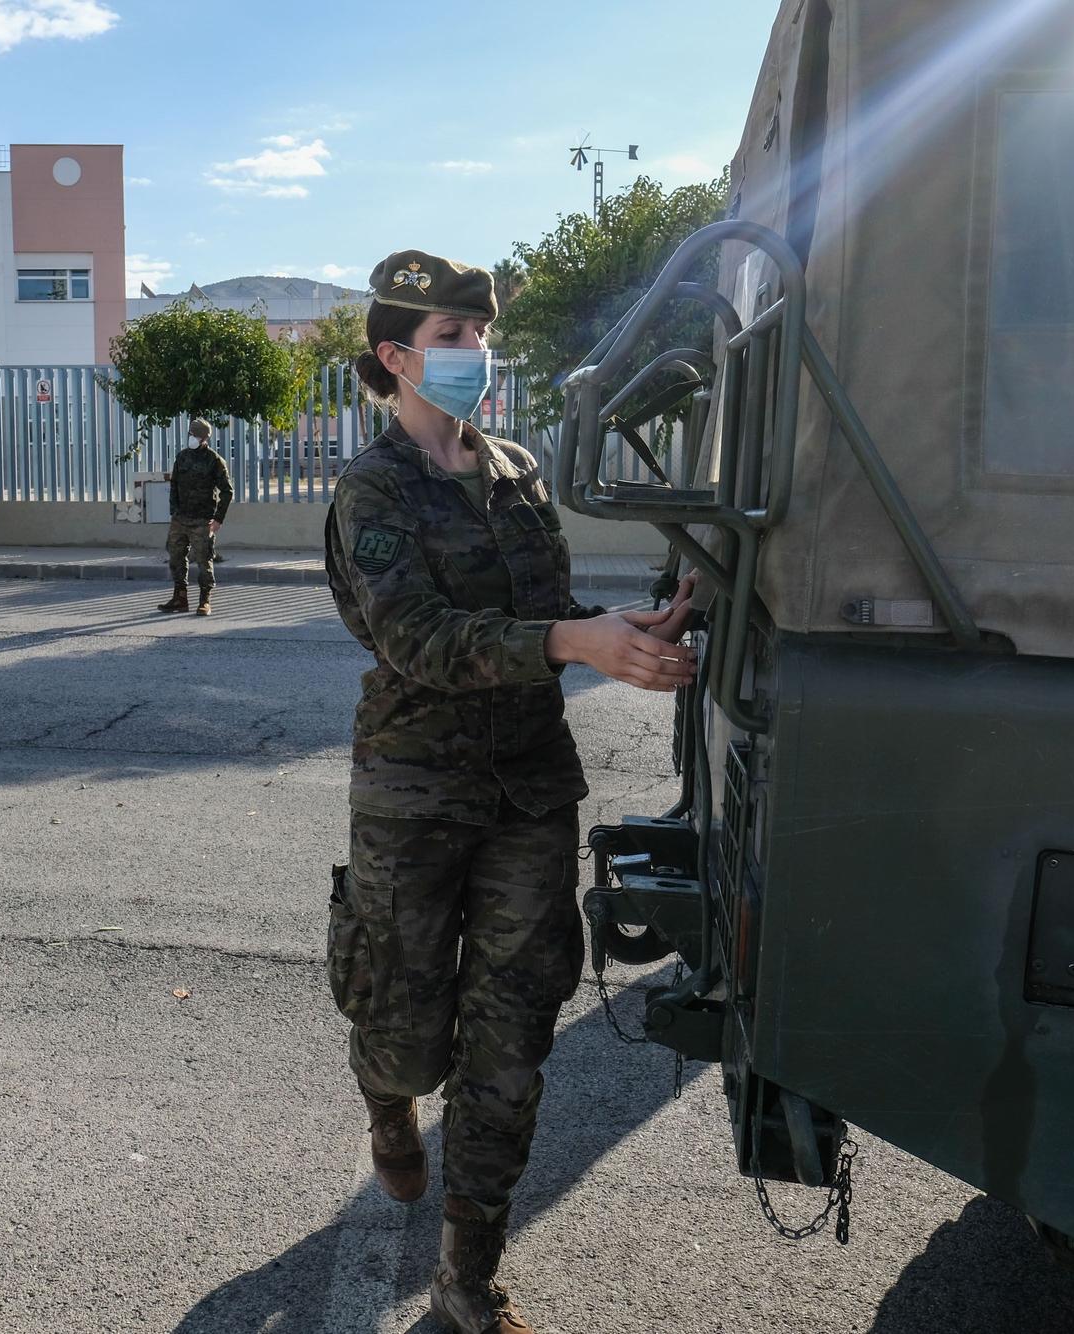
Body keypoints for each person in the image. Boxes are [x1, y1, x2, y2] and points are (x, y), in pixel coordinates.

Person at [322, 249, 697, 1334]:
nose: (472, 356)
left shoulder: (519, 469)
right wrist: (567, 639)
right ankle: (387, 1104)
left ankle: (465, 1285)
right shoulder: (371, 489)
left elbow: (542, 605)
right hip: (415, 787)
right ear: (395, 358)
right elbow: (419, 638)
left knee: (510, 1042)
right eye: (449, 338)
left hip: (528, 788)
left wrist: (620, 627)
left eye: (477, 337)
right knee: (404, 1035)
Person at [156, 417, 234, 617]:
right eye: (191, 434)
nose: (192, 437)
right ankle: (180, 597)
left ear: (204, 438)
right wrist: (174, 510)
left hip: (202, 520)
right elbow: (174, 485)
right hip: (180, 518)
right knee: (175, 557)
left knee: (204, 560)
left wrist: (218, 519)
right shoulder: (182, 457)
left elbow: (227, 491)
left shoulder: (214, 460)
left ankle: (205, 600)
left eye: (196, 435)